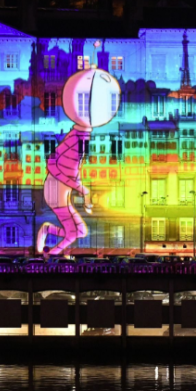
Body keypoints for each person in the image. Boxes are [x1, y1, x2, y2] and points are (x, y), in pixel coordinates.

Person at [37, 68, 121, 256]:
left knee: (81, 231)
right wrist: (82, 189)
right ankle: (50, 256)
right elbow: (52, 163)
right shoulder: (76, 137)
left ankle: (48, 232)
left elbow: (72, 169)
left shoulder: (82, 136)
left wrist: (81, 188)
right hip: (56, 190)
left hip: (63, 190)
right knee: (73, 232)